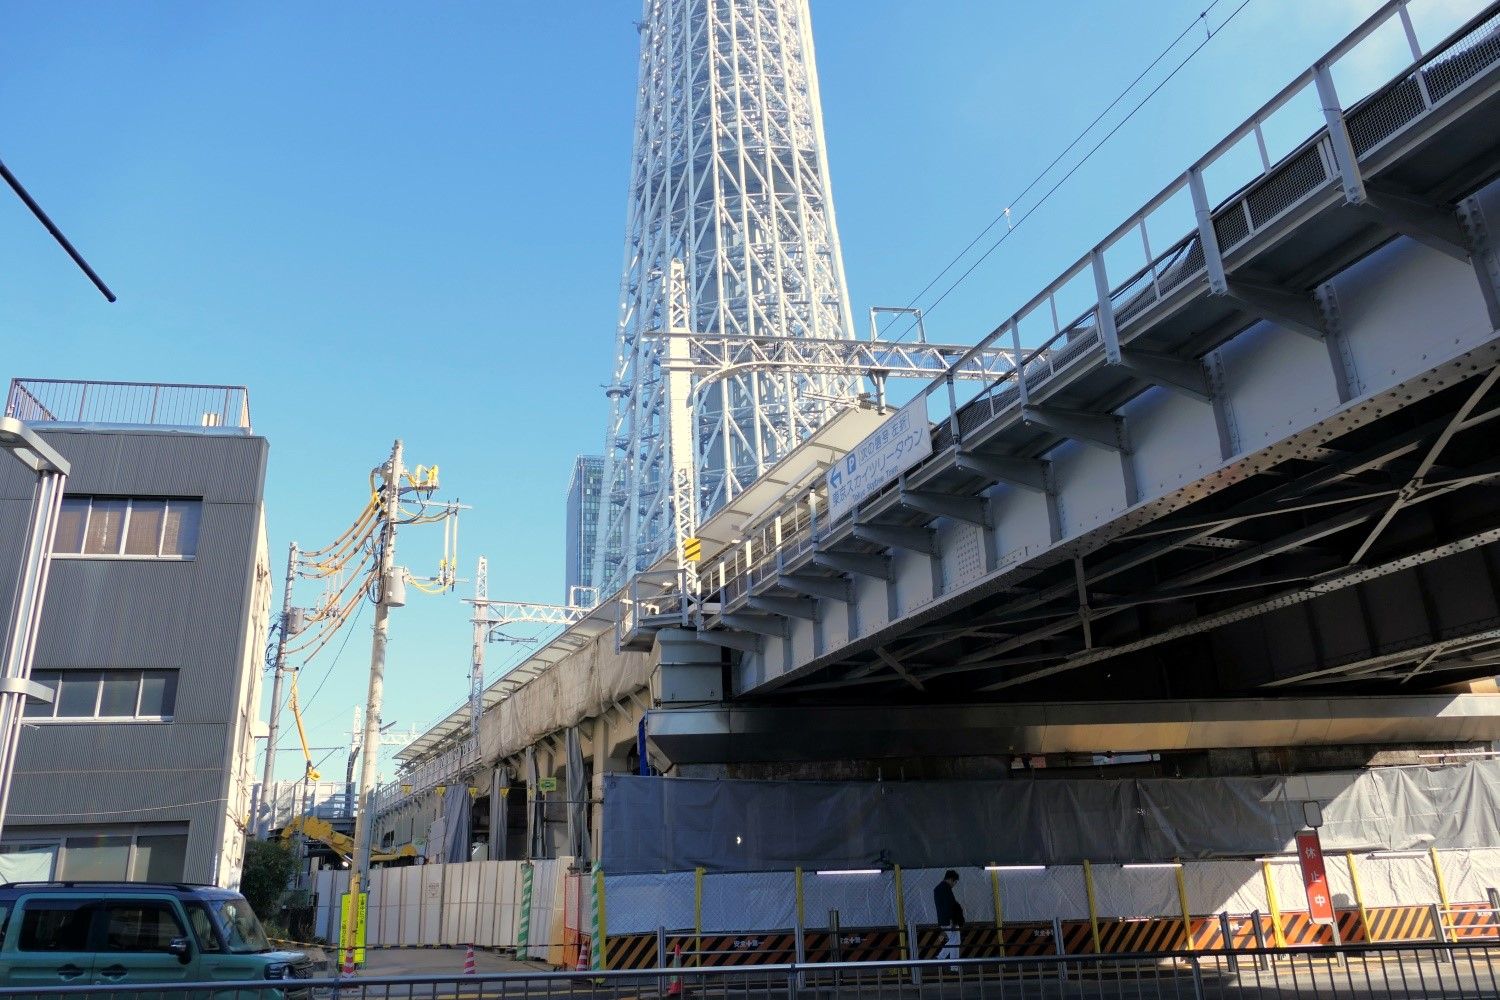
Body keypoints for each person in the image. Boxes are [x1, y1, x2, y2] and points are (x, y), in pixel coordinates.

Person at [933, 869, 964, 970]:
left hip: (943, 919)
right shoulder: (946, 889)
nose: (954, 884)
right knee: (955, 941)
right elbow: (949, 905)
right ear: (951, 879)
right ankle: (954, 967)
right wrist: (952, 920)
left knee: (954, 940)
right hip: (949, 920)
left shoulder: (938, 888)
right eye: (955, 882)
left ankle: (941, 958)